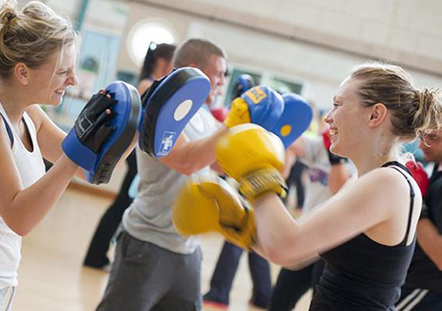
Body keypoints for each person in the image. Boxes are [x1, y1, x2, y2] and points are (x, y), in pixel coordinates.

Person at [175, 63, 442, 310]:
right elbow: (296, 256)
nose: (328, 117)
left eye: (338, 104)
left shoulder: (388, 183)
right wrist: (241, 225)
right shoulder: (364, 179)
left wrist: (258, 174)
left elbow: (286, 246)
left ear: (375, 114)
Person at [0, 0, 126, 310]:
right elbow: (20, 217)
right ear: (23, 72)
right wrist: (74, 154)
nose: (72, 80)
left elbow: (92, 168)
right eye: (62, 71)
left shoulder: (30, 114)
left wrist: (137, 129)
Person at [94, 38, 228, 310]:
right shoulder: (159, 110)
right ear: (195, 70)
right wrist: (235, 126)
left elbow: (220, 165)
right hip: (148, 243)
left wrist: (255, 133)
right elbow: (186, 160)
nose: (223, 81)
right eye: (218, 73)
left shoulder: (206, 118)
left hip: (188, 251)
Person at [83, 42, 176, 270]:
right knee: (122, 204)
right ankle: (96, 256)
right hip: (137, 154)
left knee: (124, 203)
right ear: (163, 62)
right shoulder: (147, 85)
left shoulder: (150, 83)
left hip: (140, 152)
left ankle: (99, 255)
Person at [203, 75, 272, 309]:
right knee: (255, 241)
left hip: (255, 186)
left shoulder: (257, 127)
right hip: (254, 187)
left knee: (238, 237)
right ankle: (263, 296)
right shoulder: (240, 123)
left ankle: (219, 292)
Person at [269, 128, 350, 311]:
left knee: (319, 305)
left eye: (339, 106)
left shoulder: (361, 159)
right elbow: (288, 139)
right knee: (279, 300)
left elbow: (341, 191)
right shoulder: (322, 145)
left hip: (333, 246)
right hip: (305, 239)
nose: (330, 117)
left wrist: (336, 158)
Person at [396, 129, 442, 310]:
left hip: (426, 289)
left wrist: (418, 203)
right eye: (423, 137)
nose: (423, 144)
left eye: (434, 138)